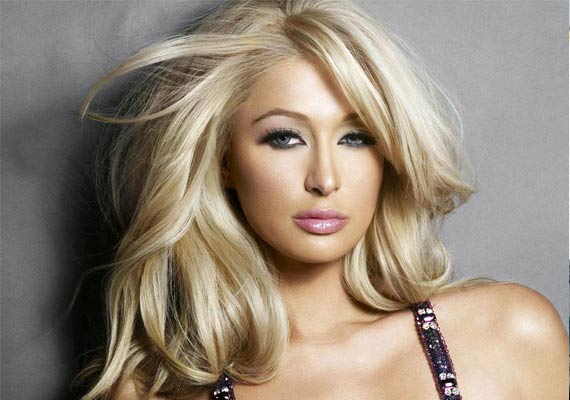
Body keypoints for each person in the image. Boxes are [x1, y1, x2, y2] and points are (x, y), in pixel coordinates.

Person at [73, 0, 568, 399]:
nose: (325, 179)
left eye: (356, 137)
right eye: (285, 138)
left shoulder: (510, 334)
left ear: (388, 154)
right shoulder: (157, 392)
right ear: (223, 159)